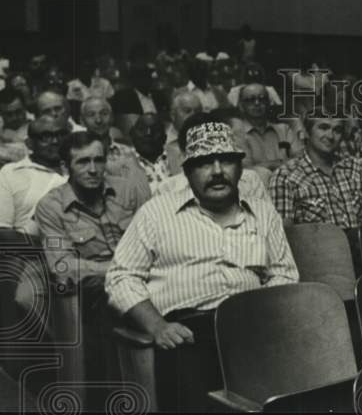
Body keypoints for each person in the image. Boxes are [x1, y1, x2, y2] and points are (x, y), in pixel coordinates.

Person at [105, 120, 298, 410]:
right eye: (205, 163)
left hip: (252, 324)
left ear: (239, 168)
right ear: (187, 171)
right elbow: (121, 277)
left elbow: (284, 272)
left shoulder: (261, 211)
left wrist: (262, 318)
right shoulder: (157, 212)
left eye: (227, 162)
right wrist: (157, 326)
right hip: (189, 330)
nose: (218, 172)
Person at [35, 132, 145, 396]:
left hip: (144, 275)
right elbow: (63, 267)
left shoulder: (127, 189)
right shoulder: (51, 206)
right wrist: (120, 272)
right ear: (65, 167)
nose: (93, 169)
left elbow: (158, 235)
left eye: (99, 160)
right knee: (110, 306)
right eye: (83, 162)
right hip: (95, 290)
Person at [269, 114, 362, 230]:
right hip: (315, 246)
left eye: (337, 130)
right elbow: (284, 233)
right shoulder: (285, 176)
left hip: (360, 245)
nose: (330, 136)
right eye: (323, 128)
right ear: (307, 133)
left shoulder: (355, 168)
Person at [155, 112, 269, 200]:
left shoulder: (250, 181)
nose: (217, 171)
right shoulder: (167, 189)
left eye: (224, 158)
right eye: (204, 161)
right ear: (185, 156)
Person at [0, 116, 71, 235]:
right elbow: (2, 235)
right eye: (46, 137)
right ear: (29, 144)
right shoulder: (10, 173)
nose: (55, 141)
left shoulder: (84, 170)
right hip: (26, 249)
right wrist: (55, 246)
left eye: (61, 135)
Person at [79, 97, 148, 191]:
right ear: (82, 121)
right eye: (91, 115)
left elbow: (140, 189)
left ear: (112, 118)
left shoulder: (128, 152)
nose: (98, 120)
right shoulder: (76, 154)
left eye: (104, 114)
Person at [237, 82, 303, 177]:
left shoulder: (284, 129)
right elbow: (246, 170)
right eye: (251, 100)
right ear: (241, 106)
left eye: (262, 99)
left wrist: (266, 165)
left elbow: (300, 159)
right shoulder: (237, 134)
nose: (257, 103)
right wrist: (276, 164)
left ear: (268, 103)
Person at [129, 113, 170, 194]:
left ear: (164, 137)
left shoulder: (181, 158)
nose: (148, 133)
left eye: (155, 129)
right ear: (132, 134)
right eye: (141, 129)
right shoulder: (121, 169)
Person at [164, 91, 203, 175]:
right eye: (187, 111)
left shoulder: (208, 137)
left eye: (197, 111)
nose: (193, 115)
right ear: (173, 115)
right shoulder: (162, 143)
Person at [0, 88, 30, 165]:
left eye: (18, 112)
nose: (15, 117)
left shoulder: (38, 127)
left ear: (25, 108)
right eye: (9, 114)